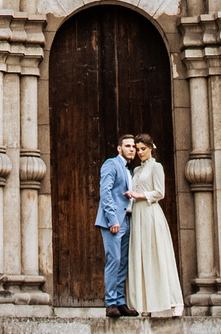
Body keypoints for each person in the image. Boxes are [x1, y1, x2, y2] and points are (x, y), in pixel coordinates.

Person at [125, 133, 184, 317]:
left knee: (159, 255)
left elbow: (160, 192)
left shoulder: (156, 167)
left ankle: (176, 302)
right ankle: (145, 305)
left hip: (150, 213)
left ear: (151, 148)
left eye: (143, 149)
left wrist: (138, 195)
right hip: (138, 216)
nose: (140, 152)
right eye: (138, 149)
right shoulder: (136, 171)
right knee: (142, 258)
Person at [98, 135, 135, 316]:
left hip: (127, 220)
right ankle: (111, 303)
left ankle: (120, 302)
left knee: (122, 262)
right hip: (114, 222)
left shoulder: (129, 170)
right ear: (119, 148)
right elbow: (105, 192)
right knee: (114, 261)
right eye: (127, 146)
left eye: (133, 146)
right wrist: (113, 220)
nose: (132, 149)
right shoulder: (111, 164)